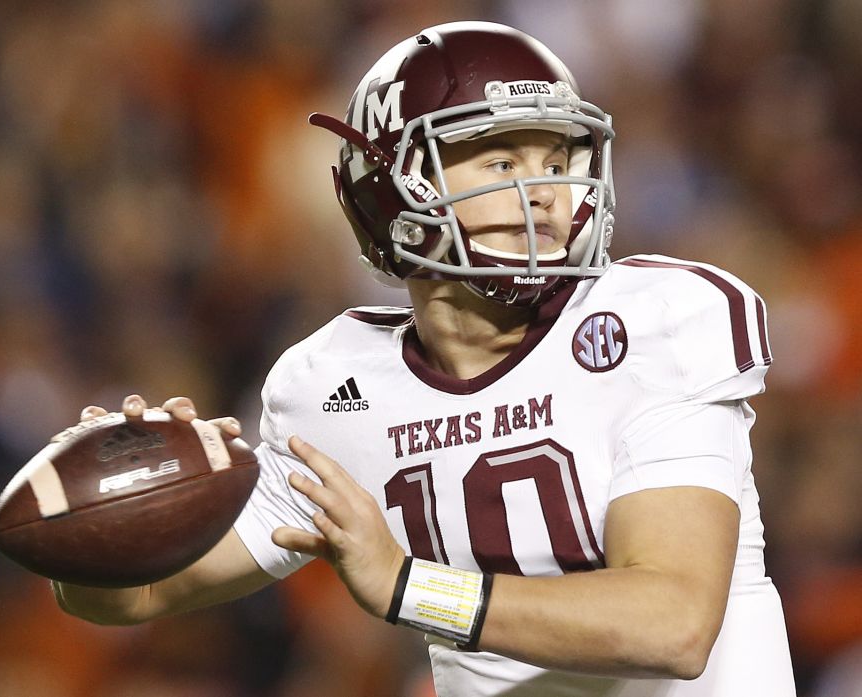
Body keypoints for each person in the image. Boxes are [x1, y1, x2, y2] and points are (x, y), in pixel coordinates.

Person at [52, 21, 796, 697]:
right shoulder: (335, 389)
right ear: (394, 188)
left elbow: (672, 623)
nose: (543, 193)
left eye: (556, 159)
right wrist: (94, 516)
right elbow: (133, 596)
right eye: (501, 159)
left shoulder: (654, 322)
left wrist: (409, 586)